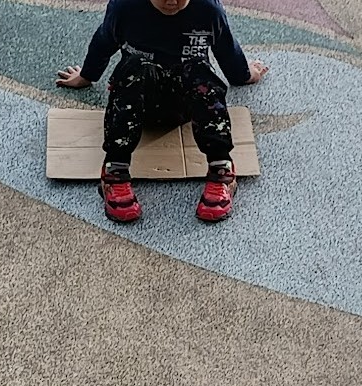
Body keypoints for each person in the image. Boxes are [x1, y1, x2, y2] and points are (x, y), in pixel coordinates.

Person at [56, 0, 268, 223]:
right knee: (135, 65)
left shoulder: (208, 9)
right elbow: (103, 41)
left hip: (187, 107)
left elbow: (226, 48)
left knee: (199, 69)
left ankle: (220, 166)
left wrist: (245, 75)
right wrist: (86, 76)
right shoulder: (125, 7)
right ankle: (115, 170)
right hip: (138, 106)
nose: (171, 2)